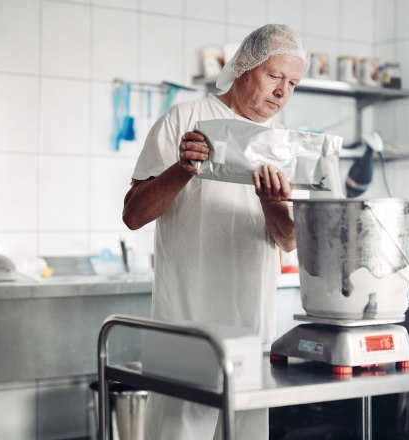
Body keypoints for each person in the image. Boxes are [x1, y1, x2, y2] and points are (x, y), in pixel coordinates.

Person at [122, 24, 307, 439]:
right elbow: (133, 215)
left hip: (252, 326)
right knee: (180, 429)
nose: (283, 92)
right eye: (275, 76)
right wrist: (183, 169)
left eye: (293, 83)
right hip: (186, 321)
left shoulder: (280, 143)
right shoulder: (185, 119)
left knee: (245, 430)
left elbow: (288, 239)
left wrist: (271, 201)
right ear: (243, 66)